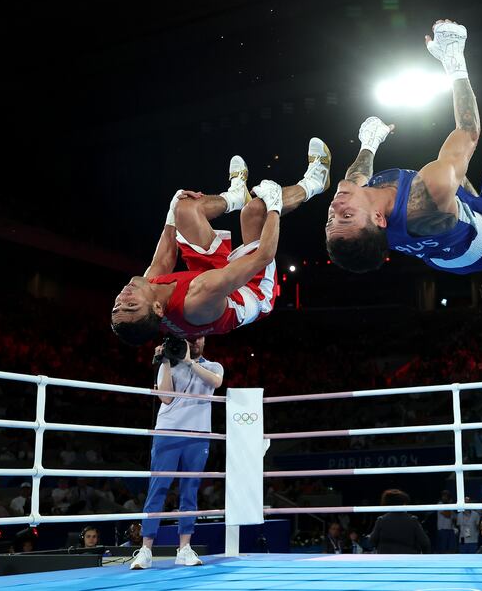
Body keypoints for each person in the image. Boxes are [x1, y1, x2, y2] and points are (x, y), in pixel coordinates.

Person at [325, 20, 482, 274]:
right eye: (346, 216)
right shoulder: (426, 197)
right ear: (379, 219)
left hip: (446, 252)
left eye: (330, 219)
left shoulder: (360, 206)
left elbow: (355, 177)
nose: (335, 208)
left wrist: (370, 142)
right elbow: (468, 131)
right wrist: (453, 59)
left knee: (449, 176)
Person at [112, 139, 331, 344]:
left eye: (117, 306)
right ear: (158, 308)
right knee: (254, 212)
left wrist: (172, 211)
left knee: (185, 209)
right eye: (131, 305)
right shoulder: (198, 299)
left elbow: (164, 258)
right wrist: (274, 205)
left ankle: (236, 194)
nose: (124, 297)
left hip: (212, 280)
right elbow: (264, 255)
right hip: (249, 290)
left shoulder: (148, 293)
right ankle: (315, 181)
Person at [130, 336, 223, 570]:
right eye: (189, 339)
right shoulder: (168, 365)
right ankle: (146, 550)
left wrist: (190, 362)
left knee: (189, 491)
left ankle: (184, 548)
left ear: (204, 341)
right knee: (158, 488)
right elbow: (166, 397)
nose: (194, 343)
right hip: (168, 431)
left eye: (198, 339)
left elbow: (216, 382)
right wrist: (166, 362)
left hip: (198, 434)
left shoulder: (213, 366)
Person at [369, 489, 431, 554]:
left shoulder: (381, 520)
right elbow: (425, 543)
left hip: (386, 559)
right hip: (408, 559)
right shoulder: (412, 520)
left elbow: (372, 542)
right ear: (404, 504)